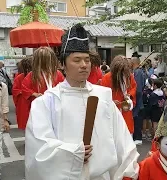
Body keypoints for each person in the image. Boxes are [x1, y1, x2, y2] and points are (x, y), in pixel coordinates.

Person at [25, 23, 139, 180]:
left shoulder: (103, 97)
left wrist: (128, 170)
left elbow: (122, 140)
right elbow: (38, 149)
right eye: (77, 60)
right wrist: (73, 153)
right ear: (62, 64)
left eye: (87, 60)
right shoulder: (47, 102)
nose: (84, 65)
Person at [22, 47, 64, 122]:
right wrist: (34, 94)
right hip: (39, 108)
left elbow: (63, 88)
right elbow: (24, 88)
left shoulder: (57, 74)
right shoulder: (33, 75)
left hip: (55, 107)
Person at [101, 55, 137, 134]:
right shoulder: (107, 78)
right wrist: (111, 101)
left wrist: (129, 95)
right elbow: (102, 96)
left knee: (127, 133)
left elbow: (134, 87)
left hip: (125, 109)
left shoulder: (129, 76)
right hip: (112, 112)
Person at [12, 57, 32, 130]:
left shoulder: (20, 77)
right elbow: (15, 90)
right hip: (24, 103)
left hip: (25, 103)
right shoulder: (20, 77)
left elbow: (15, 91)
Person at [131, 57, 146, 145]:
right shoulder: (138, 72)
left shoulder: (138, 72)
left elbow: (138, 89)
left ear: (133, 63)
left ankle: (138, 137)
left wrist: (133, 97)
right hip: (138, 99)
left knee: (136, 118)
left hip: (137, 100)